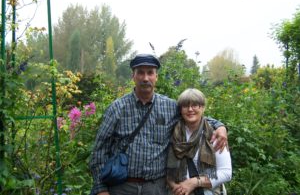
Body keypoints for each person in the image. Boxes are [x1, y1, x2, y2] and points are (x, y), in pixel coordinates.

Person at [90, 54, 228, 195]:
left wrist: (220, 126)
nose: (145, 78)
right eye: (140, 73)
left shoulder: (169, 107)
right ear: (133, 76)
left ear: (156, 77)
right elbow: (99, 152)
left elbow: (194, 117)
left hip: (156, 188)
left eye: (150, 73)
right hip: (121, 187)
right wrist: (101, 189)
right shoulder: (116, 109)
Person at [166, 88, 232, 195]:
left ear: (203, 108)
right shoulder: (172, 132)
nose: (190, 109)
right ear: (180, 110)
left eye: (195, 105)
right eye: (186, 106)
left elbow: (226, 173)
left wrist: (194, 182)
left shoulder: (216, 135)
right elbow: (165, 167)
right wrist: (176, 187)